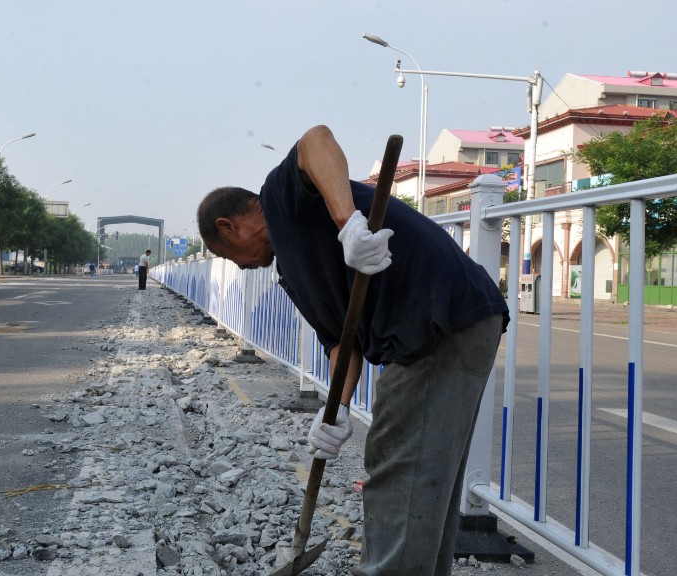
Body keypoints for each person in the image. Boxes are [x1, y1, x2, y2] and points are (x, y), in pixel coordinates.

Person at [196, 125, 508, 576]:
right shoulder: (293, 267)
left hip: (439, 317)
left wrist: (349, 226)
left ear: (230, 226)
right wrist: (336, 411)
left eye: (229, 255)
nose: (240, 267)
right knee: (425, 482)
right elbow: (343, 342)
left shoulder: (282, 202)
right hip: (449, 324)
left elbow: (316, 140)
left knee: (398, 471)